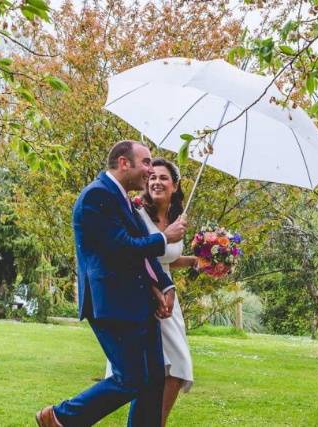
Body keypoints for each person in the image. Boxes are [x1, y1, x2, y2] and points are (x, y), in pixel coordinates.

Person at [36, 140, 188, 427]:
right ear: (123, 163)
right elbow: (123, 248)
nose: (149, 169)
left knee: (154, 379)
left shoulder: (122, 199)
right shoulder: (96, 196)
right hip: (113, 303)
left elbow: (141, 256)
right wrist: (165, 237)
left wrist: (165, 285)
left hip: (139, 302)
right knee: (129, 379)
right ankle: (60, 417)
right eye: (145, 162)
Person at [106, 158, 195, 427]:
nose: (156, 181)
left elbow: (166, 259)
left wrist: (195, 260)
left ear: (175, 185)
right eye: (152, 176)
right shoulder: (136, 212)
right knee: (149, 368)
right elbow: (138, 254)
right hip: (145, 292)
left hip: (170, 299)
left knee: (176, 368)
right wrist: (165, 237)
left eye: (163, 177)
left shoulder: (178, 219)